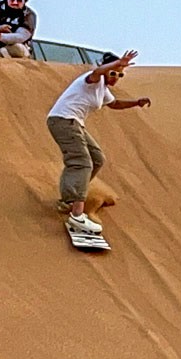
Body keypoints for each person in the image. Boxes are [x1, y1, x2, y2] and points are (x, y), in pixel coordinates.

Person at [46, 50, 150, 235]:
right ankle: (77, 215)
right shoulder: (92, 79)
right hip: (63, 120)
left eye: (120, 75)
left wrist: (136, 103)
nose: (116, 77)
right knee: (81, 162)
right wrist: (119, 63)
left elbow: (114, 103)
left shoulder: (103, 90)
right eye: (113, 73)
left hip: (75, 123)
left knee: (97, 158)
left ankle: (69, 198)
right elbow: (98, 71)